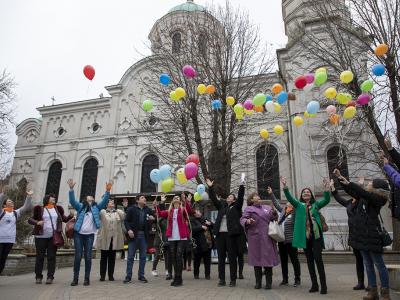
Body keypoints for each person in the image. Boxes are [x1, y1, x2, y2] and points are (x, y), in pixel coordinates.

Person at [334, 169, 391, 300]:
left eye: (371, 183)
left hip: (372, 236)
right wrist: (341, 180)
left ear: (376, 187)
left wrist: (350, 183)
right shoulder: (365, 197)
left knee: (379, 264)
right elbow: (353, 192)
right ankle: (372, 291)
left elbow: (361, 192)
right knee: (367, 263)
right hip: (362, 235)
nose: (368, 183)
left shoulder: (378, 198)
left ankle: (385, 292)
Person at [281, 177, 330, 295]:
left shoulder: (316, 205)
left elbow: (327, 200)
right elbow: (289, 198)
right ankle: (314, 285)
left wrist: (326, 189)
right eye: (304, 192)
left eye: (308, 192)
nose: (306, 193)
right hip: (306, 237)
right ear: (302, 196)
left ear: (311, 195)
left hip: (316, 236)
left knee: (318, 259)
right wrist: (285, 187)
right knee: (309, 261)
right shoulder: (298, 205)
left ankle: (323, 286)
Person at [68, 179, 112, 286]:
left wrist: (107, 190)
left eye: (92, 198)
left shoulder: (96, 208)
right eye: (89, 198)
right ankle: (75, 278)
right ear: (85, 200)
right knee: (78, 256)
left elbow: (105, 201)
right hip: (79, 235)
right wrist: (71, 189)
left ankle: (86, 278)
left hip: (89, 236)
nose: (91, 199)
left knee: (88, 257)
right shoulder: (81, 207)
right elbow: (72, 201)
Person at [205, 175, 245, 287]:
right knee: (221, 258)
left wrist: (242, 185)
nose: (229, 197)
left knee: (232, 258)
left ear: (234, 200)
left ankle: (233, 280)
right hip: (220, 236)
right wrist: (210, 188)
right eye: (228, 196)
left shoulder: (236, 207)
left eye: (231, 196)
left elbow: (241, 196)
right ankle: (221, 279)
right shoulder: (222, 207)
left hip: (231, 235)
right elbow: (213, 198)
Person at [329, 178, 366, 290]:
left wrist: (360, 186)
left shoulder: (362, 201)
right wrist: (333, 188)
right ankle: (361, 282)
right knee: (359, 259)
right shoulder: (349, 202)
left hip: (364, 234)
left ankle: (372, 284)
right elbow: (338, 198)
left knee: (368, 260)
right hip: (353, 234)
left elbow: (364, 194)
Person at [29, 194, 73, 284]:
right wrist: (37, 222)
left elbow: (64, 219)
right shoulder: (40, 209)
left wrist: (71, 216)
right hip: (40, 237)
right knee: (40, 257)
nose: (54, 199)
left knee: (51, 257)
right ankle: (38, 276)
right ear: (47, 199)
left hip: (53, 237)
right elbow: (30, 219)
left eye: (54, 198)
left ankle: (50, 277)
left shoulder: (57, 209)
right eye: (52, 198)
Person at [240, 190, 279, 290]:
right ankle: (258, 283)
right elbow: (242, 219)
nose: (258, 197)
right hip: (255, 238)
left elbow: (274, 218)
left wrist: (274, 213)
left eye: (258, 195)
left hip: (267, 237)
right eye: (256, 196)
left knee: (268, 260)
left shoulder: (267, 208)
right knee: (256, 260)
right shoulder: (249, 208)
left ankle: (269, 283)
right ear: (251, 200)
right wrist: (248, 221)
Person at [153, 193, 193, 287]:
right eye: (174, 198)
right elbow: (160, 214)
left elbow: (189, 211)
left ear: (179, 201)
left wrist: (186, 200)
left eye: (177, 198)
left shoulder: (182, 210)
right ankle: (176, 278)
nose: (176, 198)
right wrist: (156, 206)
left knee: (179, 256)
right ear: (172, 201)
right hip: (172, 237)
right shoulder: (169, 211)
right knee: (173, 257)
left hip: (181, 237)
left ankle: (179, 278)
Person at [270, 186, 301, 287]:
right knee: (283, 261)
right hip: (282, 241)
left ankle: (297, 279)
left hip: (291, 241)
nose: (287, 204)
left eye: (290, 203)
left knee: (294, 260)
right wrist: (271, 193)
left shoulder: (295, 213)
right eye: (287, 204)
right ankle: (285, 279)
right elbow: (276, 203)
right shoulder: (283, 211)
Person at [123, 195, 155, 284]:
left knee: (143, 257)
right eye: (142, 198)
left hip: (143, 236)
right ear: (137, 201)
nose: (144, 199)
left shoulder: (147, 209)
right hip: (133, 236)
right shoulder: (131, 209)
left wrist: (153, 218)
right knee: (130, 257)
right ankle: (128, 276)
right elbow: (126, 221)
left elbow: (154, 216)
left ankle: (141, 276)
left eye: (145, 198)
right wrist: (129, 230)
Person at [0, 188, 33, 275]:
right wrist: (2, 194)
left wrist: (29, 196)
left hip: (10, 240)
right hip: (0, 240)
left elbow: (26, 207)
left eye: (12, 201)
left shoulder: (15, 213)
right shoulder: (1, 212)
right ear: (4, 205)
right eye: (9, 201)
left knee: (3, 259)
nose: (12, 202)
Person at [96, 199, 125, 281]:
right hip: (105, 238)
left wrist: (123, 208)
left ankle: (111, 275)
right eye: (110, 202)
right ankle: (102, 276)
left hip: (114, 239)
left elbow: (123, 217)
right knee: (103, 257)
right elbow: (96, 214)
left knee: (112, 258)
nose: (112, 203)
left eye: (113, 202)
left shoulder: (118, 212)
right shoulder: (102, 212)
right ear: (106, 204)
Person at [152, 194, 172, 279]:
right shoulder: (159, 219)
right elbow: (155, 221)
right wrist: (161, 203)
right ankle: (153, 269)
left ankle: (167, 269)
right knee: (157, 254)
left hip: (166, 239)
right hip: (158, 239)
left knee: (167, 255)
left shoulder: (168, 219)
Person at [190, 208, 214, 280]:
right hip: (198, 243)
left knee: (207, 260)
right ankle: (196, 274)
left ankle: (207, 275)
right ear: (194, 214)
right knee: (197, 260)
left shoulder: (205, 219)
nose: (198, 212)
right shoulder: (192, 220)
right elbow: (192, 229)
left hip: (208, 243)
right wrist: (201, 227)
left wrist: (210, 224)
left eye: (198, 211)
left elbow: (213, 226)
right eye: (196, 211)